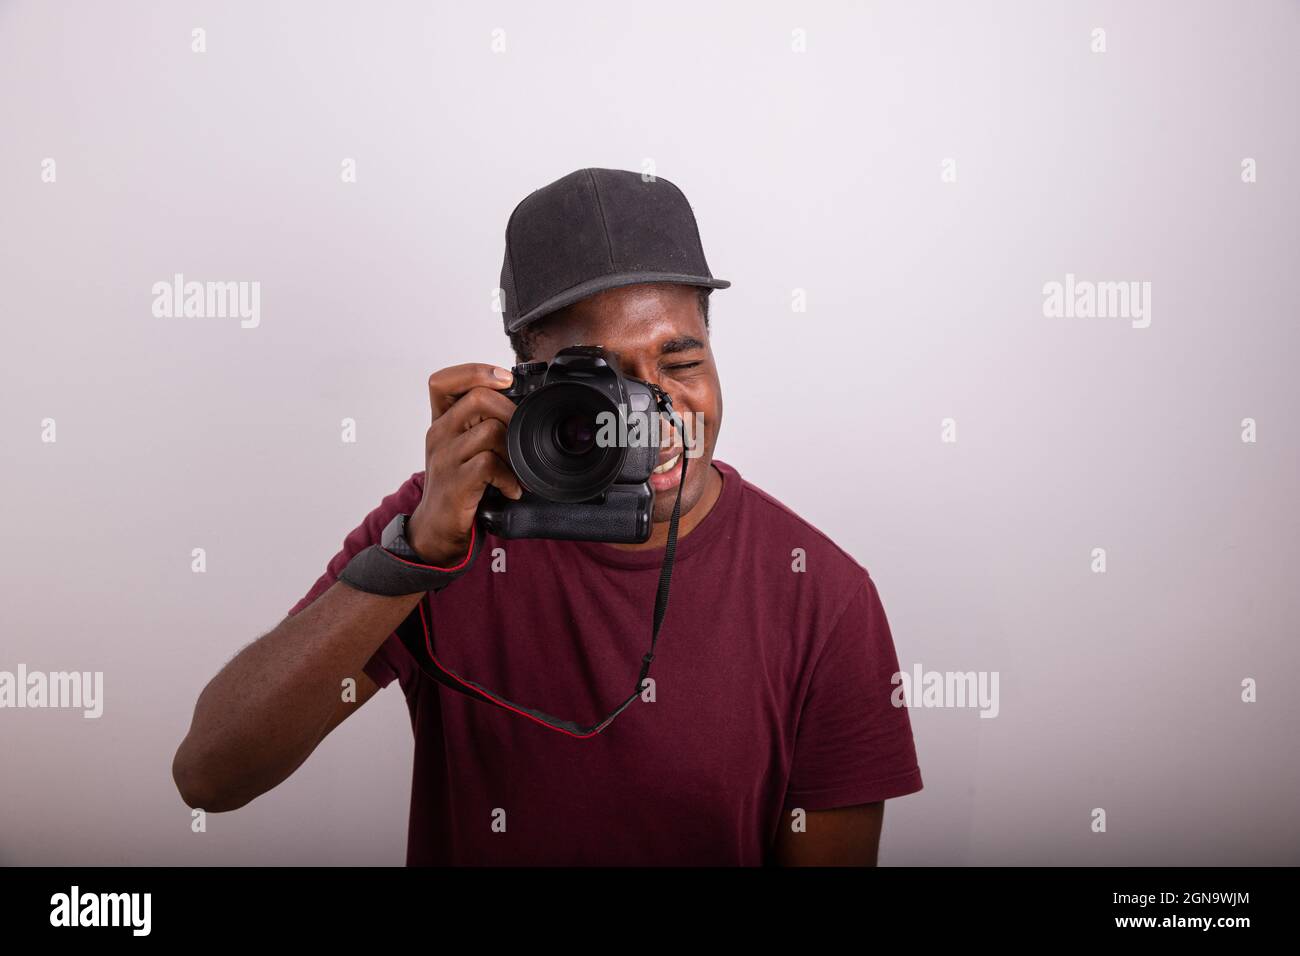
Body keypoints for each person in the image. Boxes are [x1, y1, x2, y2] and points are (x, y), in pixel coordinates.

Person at [172, 167, 923, 865]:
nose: (649, 416)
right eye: (607, 384)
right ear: (526, 377)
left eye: (681, 364)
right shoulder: (452, 523)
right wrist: (420, 553)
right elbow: (212, 772)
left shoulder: (822, 595)